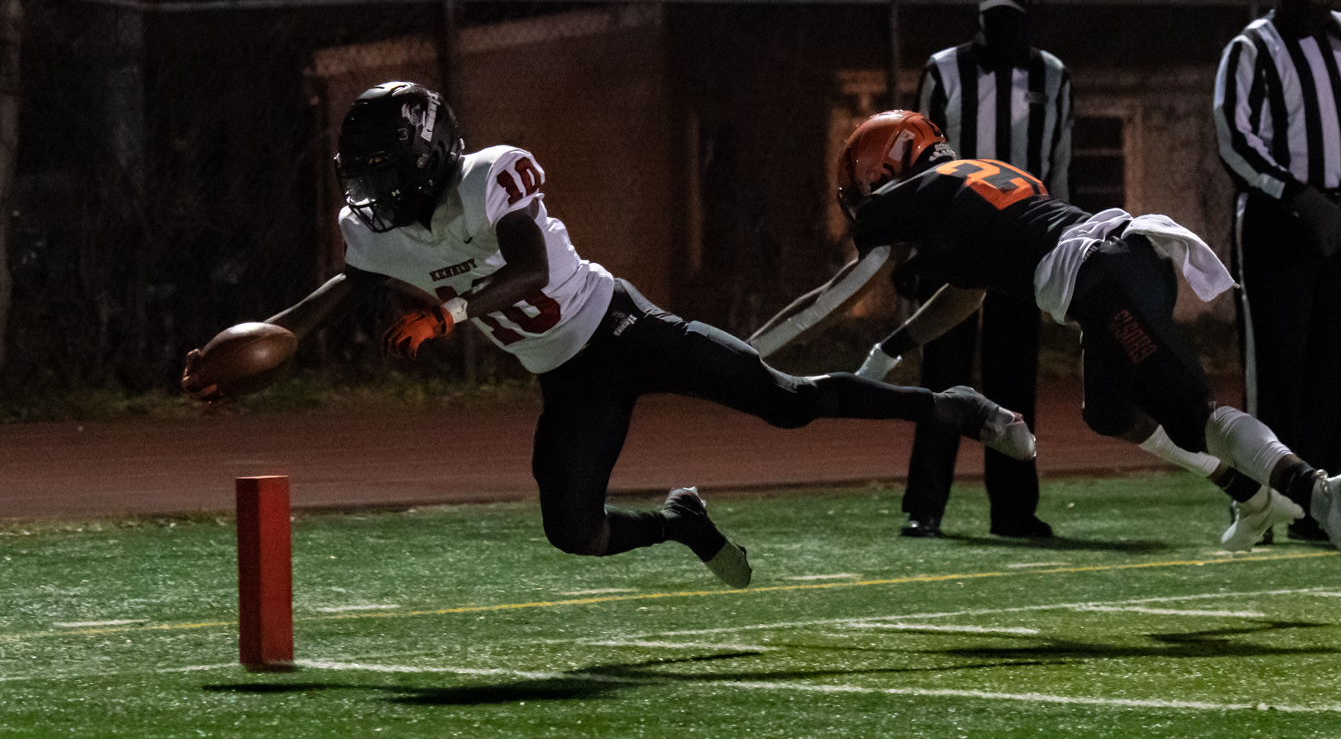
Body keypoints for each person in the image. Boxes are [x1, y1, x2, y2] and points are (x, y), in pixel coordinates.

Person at [182, 81, 1032, 590]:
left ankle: (951, 404)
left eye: (381, 173)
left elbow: (529, 271)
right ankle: (683, 524)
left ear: (425, 160)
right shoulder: (377, 228)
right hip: (570, 377)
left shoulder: (488, 179)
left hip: (622, 327)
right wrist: (268, 344)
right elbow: (344, 286)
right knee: (571, 529)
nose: (370, 192)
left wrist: (449, 311)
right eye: (360, 177)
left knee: (788, 404)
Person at [750, 110, 1341, 599]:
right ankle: (1249, 492)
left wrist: (744, 353)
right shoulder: (973, 180)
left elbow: (840, 289)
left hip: (1104, 279)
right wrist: (890, 349)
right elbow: (966, 294)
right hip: (1115, 265)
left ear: (882, 171)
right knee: (1108, 410)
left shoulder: (926, 190)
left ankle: (1321, 491)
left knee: (1198, 413)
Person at [1214, 0, 1341, 543]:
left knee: (1331, 364)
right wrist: (1297, 195)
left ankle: (1319, 507)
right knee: (1276, 365)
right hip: (1279, 214)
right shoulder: (1251, 47)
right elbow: (1233, 137)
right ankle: (1263, 502)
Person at [890, 0, 1072, 540]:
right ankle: (926, 504)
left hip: (1024, 239)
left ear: (1027, 19)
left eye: (1011, 19)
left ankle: (1014, 509)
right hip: (954, 241)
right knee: (942, 375)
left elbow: (1059, 165)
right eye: (993, 19)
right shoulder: (944, 70)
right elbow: (918, 162)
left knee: (1013, 377)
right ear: (979, 17)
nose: (1002, 28)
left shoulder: (1054, 75)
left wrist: (1062, 242)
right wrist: (915, 244)